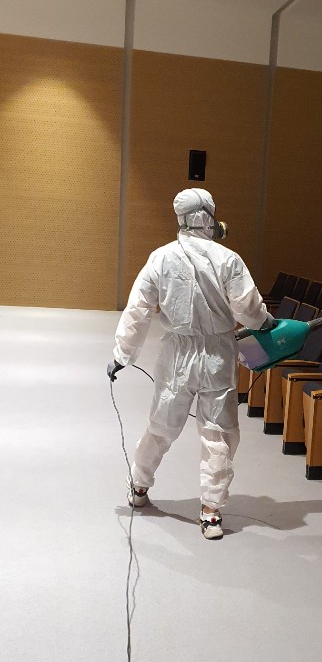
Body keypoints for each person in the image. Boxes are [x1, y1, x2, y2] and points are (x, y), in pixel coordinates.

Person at [107, 188, 273, 539]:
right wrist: (265, 323)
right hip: (218, 356)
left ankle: (139, 485)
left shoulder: (161, 258)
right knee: (218, 433)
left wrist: (122, 355)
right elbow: (248, 308)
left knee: (162, 426)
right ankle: (211, 512)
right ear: (210, 217)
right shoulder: (228, 259)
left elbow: (138, 309)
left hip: (177, 356)